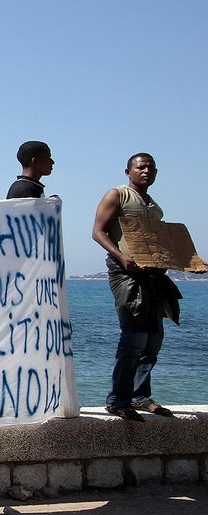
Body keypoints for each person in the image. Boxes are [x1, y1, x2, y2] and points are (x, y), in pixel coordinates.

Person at [92, 152, 181, 422]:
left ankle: (140, 396)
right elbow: (98, 231)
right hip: (126, 274)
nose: (146, 171)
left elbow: (158, 244)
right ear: (128, 171)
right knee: (133, 340)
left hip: (152, 277)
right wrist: (122, 257)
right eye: (141, 167)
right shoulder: (117, 195)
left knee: (153, 341)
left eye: (151, 168)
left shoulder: (156, 208)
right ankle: (118, 400)